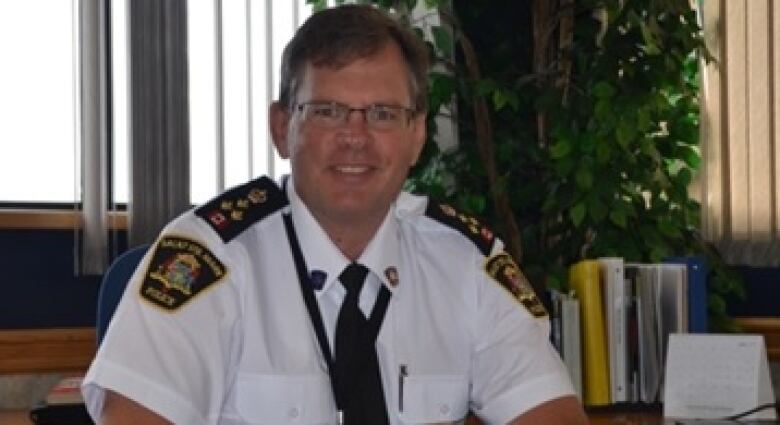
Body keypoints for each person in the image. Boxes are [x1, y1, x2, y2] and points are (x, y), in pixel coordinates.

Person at [82, 4, 588, 425]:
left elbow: (550, 412)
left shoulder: (466, 263)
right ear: (282, 128)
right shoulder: (207, 261)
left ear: (417, 136)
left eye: (384, 114)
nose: (356, 137)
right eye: (327, 110)